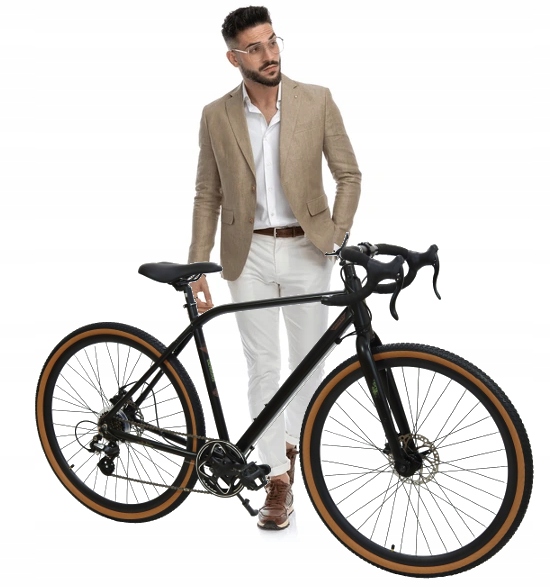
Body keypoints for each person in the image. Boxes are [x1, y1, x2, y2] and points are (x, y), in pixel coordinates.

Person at [188, 5, 361, 530]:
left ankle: (288, 440)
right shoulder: (216, 114)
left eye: (272, 41)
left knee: (310, 362)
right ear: (234, 58)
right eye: (255, 48)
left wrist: (335, 238)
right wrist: (198, 264)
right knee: (262, 366)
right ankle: (276, 479)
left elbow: (349, 175)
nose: (269, 54)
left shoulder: (317, 100)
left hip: (309, 248)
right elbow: (207, 193)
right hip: (249, 255)